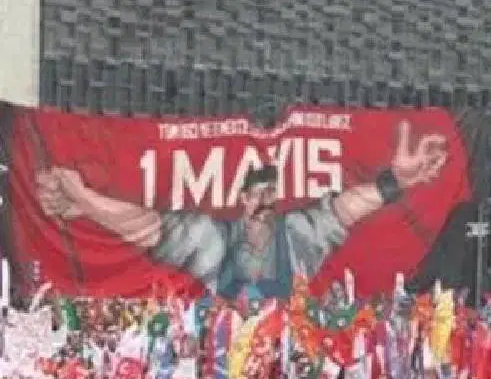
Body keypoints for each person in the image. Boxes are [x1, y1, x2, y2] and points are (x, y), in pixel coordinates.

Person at [36, 121, 449, 299]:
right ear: (243, 201)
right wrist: (88, 201)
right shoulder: (214, 241)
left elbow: (343, 209)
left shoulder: (297, 237)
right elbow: (147, 226)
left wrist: (395, 181)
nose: (265, 204)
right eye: (258, 196)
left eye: (272, 196)